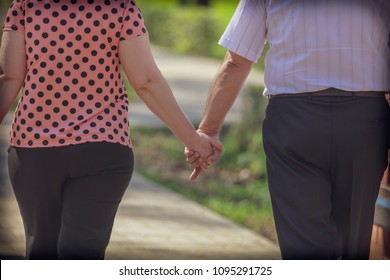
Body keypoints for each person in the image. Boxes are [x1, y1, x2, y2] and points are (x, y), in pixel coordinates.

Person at [0, 0, 221, 260]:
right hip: (102, 149)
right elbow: (147, 81)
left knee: (42, 253)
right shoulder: (120, 7)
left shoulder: (26, 5)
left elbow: (10, 77)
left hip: (34, 150)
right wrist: (194, 140)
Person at [186, 0, 390, 259]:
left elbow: (236, 61)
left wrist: (208, 130)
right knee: (353, 242)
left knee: (304, 247)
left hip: (294, 122)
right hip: (364, 122)